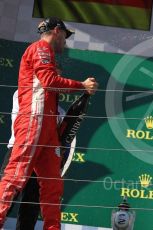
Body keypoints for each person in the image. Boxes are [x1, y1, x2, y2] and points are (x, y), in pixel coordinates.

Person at [0, 17, 98, 229]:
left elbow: (50, 83)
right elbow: (49, 81)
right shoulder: (41, 48)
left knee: (53, 186)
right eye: (65, 36)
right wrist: (81, 85)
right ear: (56, 31)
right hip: (33, 120)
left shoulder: (48, 54)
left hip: (47, 127)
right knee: (15, 176)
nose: (66, 42)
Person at [1, 90, 67, 230]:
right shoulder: (22, 92)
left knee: (30, 206)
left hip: (42, 158)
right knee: (7, 196)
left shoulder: (60, 112)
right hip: (19, 151)